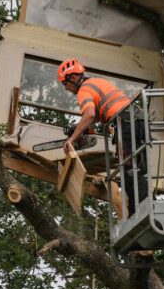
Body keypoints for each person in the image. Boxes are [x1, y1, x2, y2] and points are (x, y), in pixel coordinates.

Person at [57, 58, 146, 215]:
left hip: (124, 123)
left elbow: (89, 114)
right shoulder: (97, 82)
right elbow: (101, 113)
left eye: (65, 83)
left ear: (72, 77)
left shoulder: (84, 90)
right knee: (132, 171)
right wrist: (80, 129)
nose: (66, 88)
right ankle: (137, 212)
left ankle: (140, 213)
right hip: (134, 121)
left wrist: (72, 139)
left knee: (130, 172)